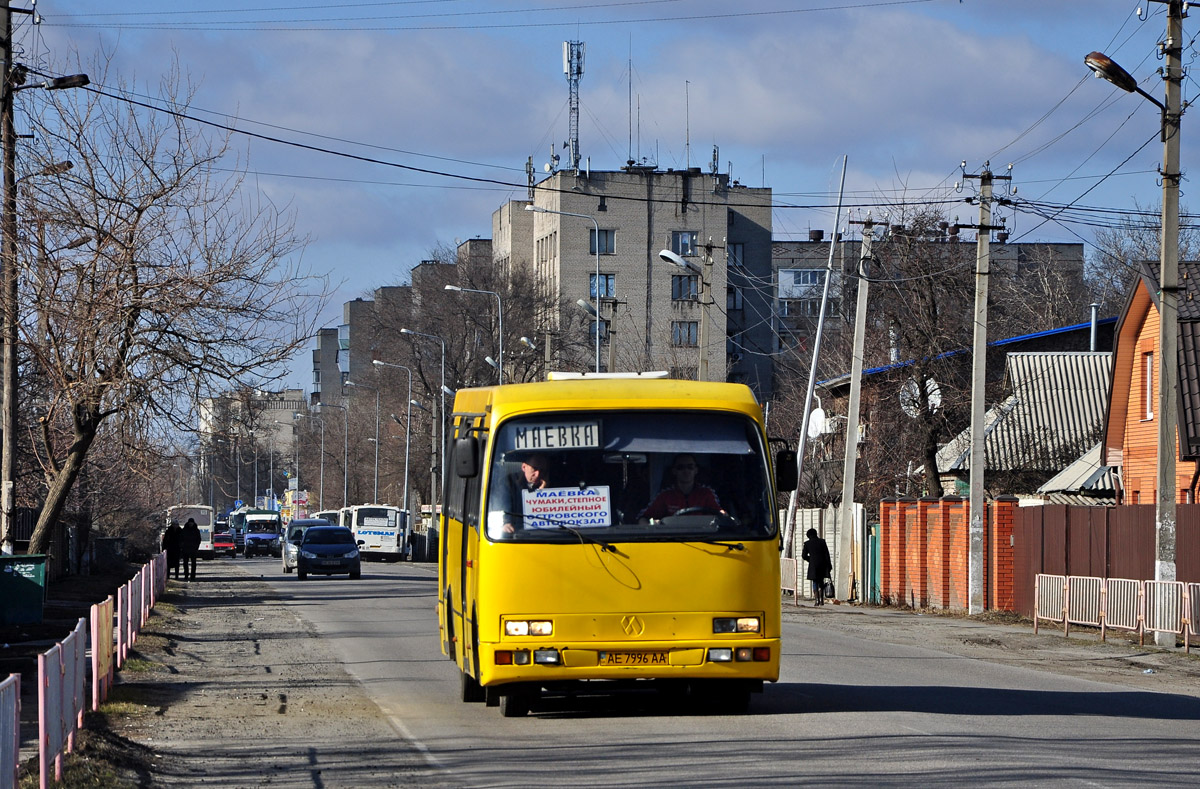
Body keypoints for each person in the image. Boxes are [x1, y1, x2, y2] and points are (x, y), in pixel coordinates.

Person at [638, 453, 722, 522]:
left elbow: (721, 515)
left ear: (696, 470)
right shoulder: (665, 495)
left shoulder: (706, 493)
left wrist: (724, 515)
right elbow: (643, 518)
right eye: (680, 467)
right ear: (674, 471)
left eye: (690, 467)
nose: (686, 471)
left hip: (705, 538)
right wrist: (649, 524)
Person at [497, 453, 551, 536]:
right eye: (534, 468)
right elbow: (502, 506)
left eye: (542, 470)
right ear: (524, 467)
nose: (538, 474)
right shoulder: (509, 482)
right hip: (518, 533)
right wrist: (506, 523)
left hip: (547, 534)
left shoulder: (550, 485)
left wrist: (544, 494)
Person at [801, 528, 833, 606]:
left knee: (815, 582)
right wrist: (829, 565)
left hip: (813, 565)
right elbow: (827, 554)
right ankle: (822, 600)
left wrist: (810, 559)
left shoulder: (807, 544)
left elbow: (804, 556)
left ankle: (816, 601)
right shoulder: (822, 542)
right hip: (822, 564)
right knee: (821, 582)